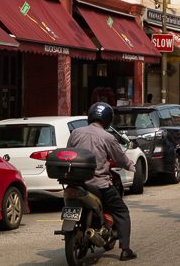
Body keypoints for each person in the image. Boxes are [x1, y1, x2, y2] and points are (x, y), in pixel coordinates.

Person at [67, 102, 137, 262]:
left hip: (76, 183)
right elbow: (121, 158)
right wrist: (132, 166)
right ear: (107, 119)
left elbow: (69, 152)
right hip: (99, 184)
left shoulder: (76, 133)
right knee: (122, 212)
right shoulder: (108, 137)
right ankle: (125, 250)